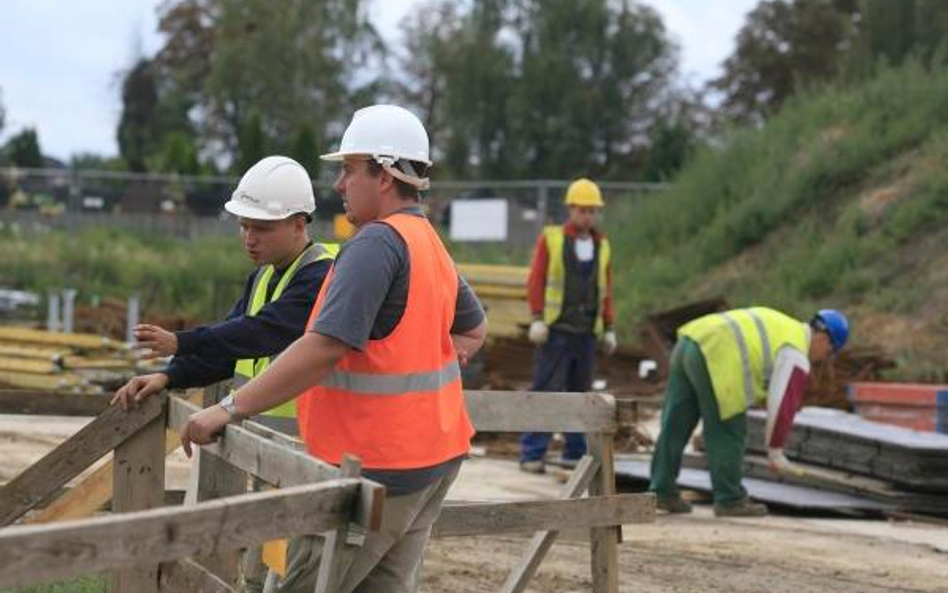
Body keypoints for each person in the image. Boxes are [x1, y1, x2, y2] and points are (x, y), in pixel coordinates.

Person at [177, 104, 487, 593]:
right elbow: (473, 330)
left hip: (373, 468)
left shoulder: (375, 244)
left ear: (383, 175)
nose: (340, 185)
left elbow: (324, 346)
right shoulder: (426, 240)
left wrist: (229, 409)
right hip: (434, 458)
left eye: (348, 170)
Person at [111, 155, 336, 437]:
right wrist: (168, 375)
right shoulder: (264, 276)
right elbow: (226, 350)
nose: (249, 238)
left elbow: (260, 332)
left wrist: (181, 342)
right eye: (244, 225)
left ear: (299, 224)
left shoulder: (322, 277)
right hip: (268, 444)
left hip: (311, 446)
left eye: (262, 228)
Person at [649, 307, 850, 517]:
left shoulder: (784, 325)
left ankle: (662, 491)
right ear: (824, 339)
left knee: (675, 424)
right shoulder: (796, 351)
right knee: (728, 430)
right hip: (718, 353)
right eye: (828, 352)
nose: (822, 358)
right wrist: (776, 452)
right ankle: (730, 500)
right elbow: (782, 405)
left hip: (691, 341)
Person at [519, 178, 617, 474]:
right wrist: (537, 318)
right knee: (547, 391)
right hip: (556, 331)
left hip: (586, 333)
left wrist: (609, 326)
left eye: (592, 210)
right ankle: (532, 453)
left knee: (580, 395)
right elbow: (536, 280)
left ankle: (575, 454)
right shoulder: (552, 239)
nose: (587, 215)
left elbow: (606, 288)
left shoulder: (602, 246)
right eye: (582, 210)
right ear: (571, 209)